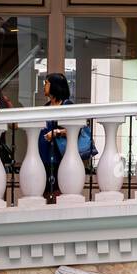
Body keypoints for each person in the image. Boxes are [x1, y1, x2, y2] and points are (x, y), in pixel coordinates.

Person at [38, 71, 95, 200]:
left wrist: (56, 133)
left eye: (46, 83)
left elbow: (76, 129)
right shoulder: (46, 107)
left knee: (59, 190)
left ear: (55, 86)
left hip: (60, 157)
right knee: (46, 191)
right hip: (45, 157)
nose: (44, 86)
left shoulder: (66, 105)